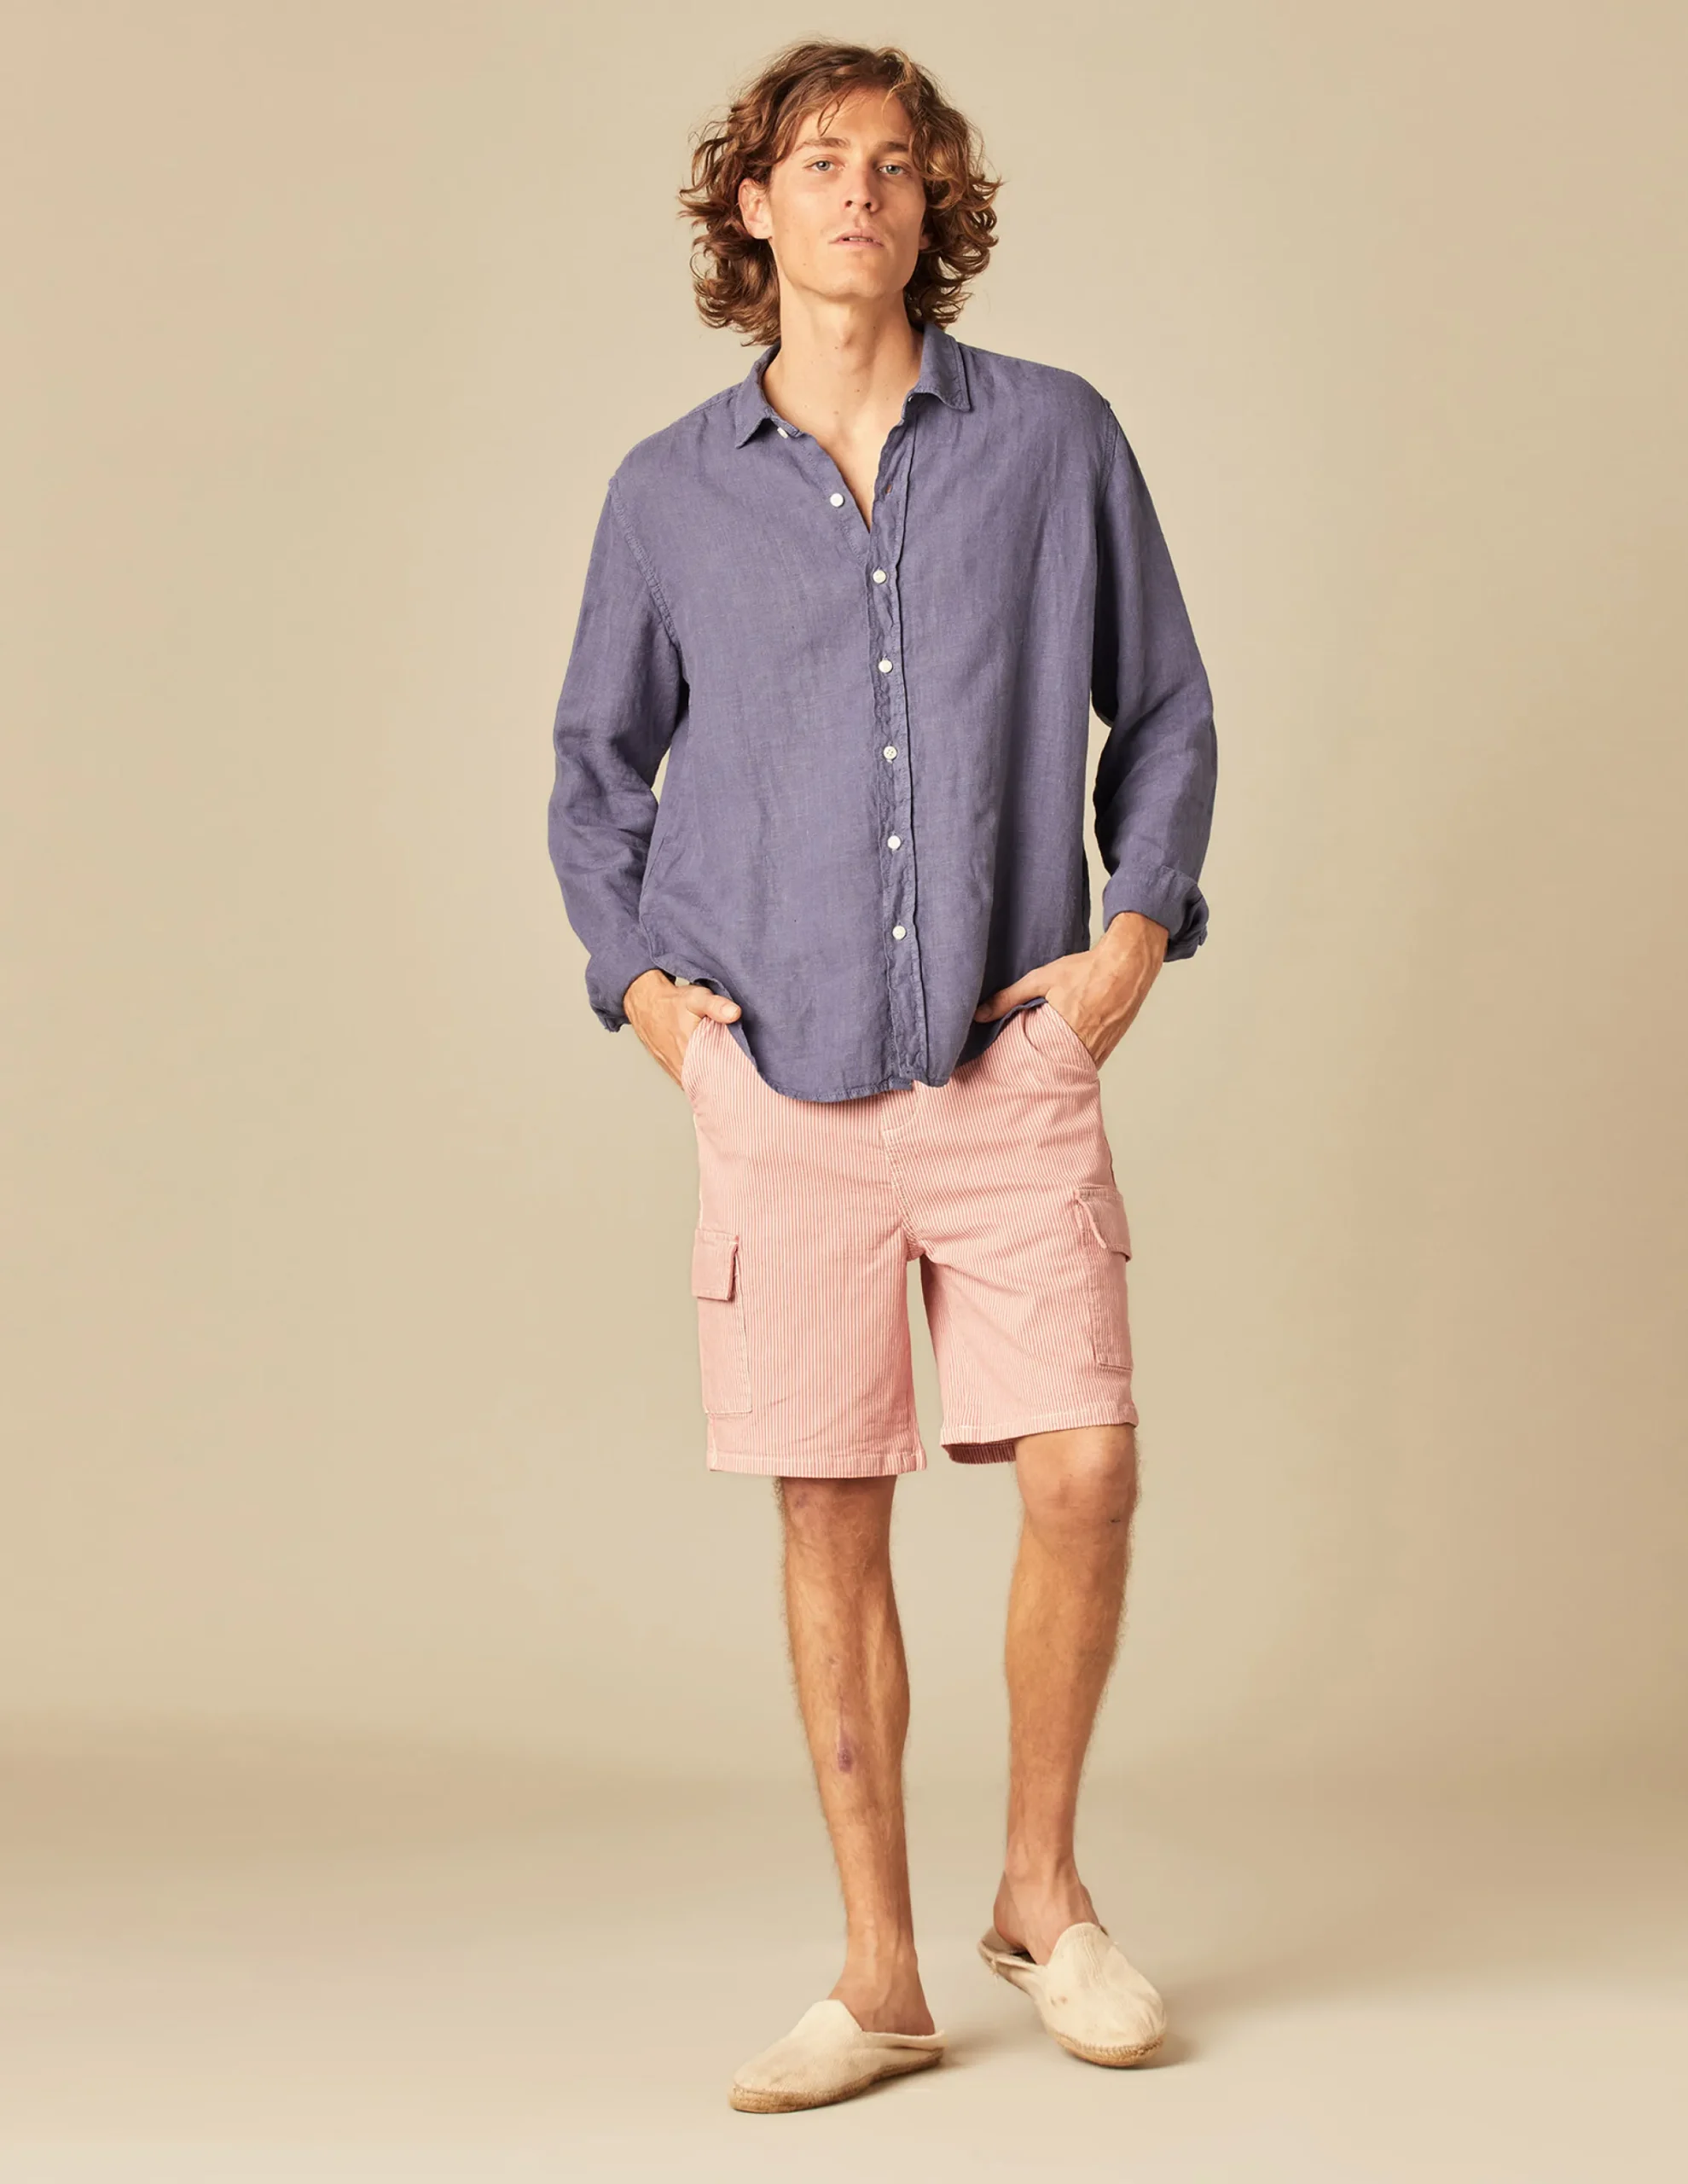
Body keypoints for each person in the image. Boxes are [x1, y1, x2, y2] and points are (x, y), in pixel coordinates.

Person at [547, 40, 1217, 2113]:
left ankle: (1040, 1891)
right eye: (820, 160)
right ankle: (878, 1972)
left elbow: (1163, 705)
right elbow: (591, 775)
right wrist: (654, 1008)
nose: (861, 189)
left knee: (1082, 1468)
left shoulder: (1052, 439)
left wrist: (1130, 936)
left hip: (1005, 1064)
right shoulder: (666, 493)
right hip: (779, 1086)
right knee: (829, 1516)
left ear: (936, 207)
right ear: (749, 205)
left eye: (897, 164)